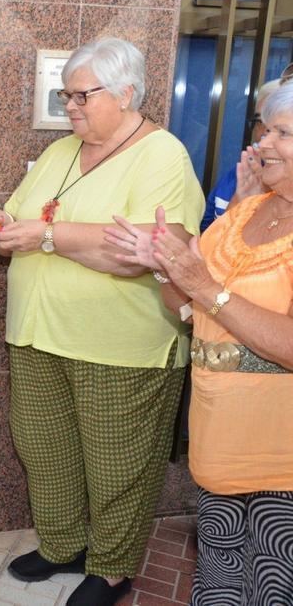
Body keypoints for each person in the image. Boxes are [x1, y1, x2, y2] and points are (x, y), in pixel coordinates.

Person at [0, 37, 204, 605]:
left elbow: (141, 249)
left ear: (126, 93)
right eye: (65, 94)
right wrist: (2, 222)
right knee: (45, 448)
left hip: (121, 346)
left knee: (118, 462)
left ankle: (114, 569)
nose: (70, 106)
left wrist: (48, 236)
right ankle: (62, 544)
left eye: (81, 95)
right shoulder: (61, 152)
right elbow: (21, 226)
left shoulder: (162, 155)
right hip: (36, 333)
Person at [108, 80, 293, 605]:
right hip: (218, 439)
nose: (263, 143)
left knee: (271, 585)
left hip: (281, 454)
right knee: (217, 578)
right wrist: (164, 266)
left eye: (283, 133)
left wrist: (206, 287)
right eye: (265, 129)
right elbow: (186, 309)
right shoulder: (246, 212)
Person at [201, 78, 281, 231]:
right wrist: (238, 207)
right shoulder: (237, 176)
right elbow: (206, 239)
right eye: (259, 122)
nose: (265, 134)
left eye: (281, 130)